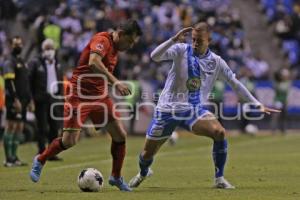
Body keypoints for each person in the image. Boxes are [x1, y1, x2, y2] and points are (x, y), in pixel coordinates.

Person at [128, 22, 280, 189]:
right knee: (147, 153)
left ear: (209, 40)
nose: (195, 43)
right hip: (167, 109)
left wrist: (257, 104)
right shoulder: (180, 50)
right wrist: (173, 40)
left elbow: (235, 84)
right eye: (193, 39)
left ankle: (219, 178)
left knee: (219, 132)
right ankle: (143, 172)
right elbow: (154, 56)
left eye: (199, 40)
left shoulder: (217, 62)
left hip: (193, 110)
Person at [29, 19, 142, 192]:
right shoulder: (102, 40)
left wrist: (110, 86)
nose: (131, 46)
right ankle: (41, 159)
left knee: (120, 135)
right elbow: (93, 62)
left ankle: (116, 176)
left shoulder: (116, 49)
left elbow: (99, 74)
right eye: (130, 41)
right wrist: (116, 82)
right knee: (69, 141)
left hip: (99, 97)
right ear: (121, 35)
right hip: (79, 96)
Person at [28, 39, 64, 159]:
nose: (49, 51)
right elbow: (29, 81)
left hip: (54, 98)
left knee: (54, 126)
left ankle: (52, 152)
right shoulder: (36, 62)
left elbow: (60, 82)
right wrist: (31, 98)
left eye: (51, 48)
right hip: (41, 98)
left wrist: (62, 97)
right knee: (42, 126)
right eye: (47, 48)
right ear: (43, 50)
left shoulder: (57, 63)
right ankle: (41, 151)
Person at [2, 36, 34, 167]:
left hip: (25, 99)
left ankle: (15, 157)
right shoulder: (9, 62)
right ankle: (8, 159)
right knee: (11, 126)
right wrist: (15, 99)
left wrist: (30, 99)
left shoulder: (22, 60)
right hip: (14, 100)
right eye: (16, 44)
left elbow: (26, 82)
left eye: (20, 44)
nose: (19, 47)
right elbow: (9, 83)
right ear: (11, 46)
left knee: (20, 127)